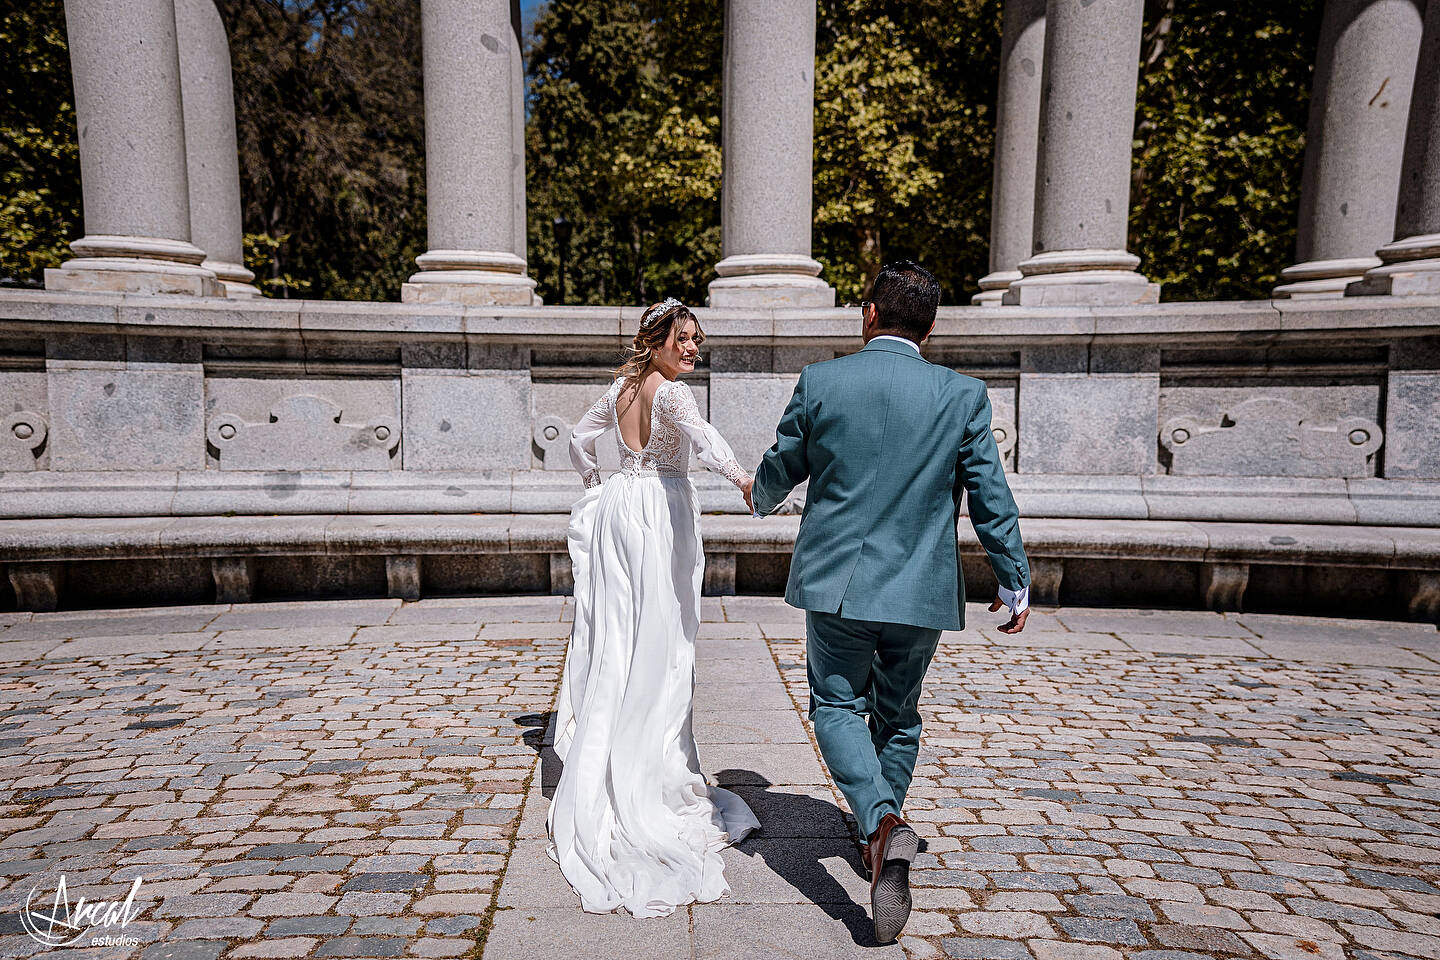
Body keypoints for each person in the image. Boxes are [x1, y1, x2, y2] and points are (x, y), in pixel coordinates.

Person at [751, 260, 1031, 944]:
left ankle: (880, 822)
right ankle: (881, 843)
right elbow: (990, 495)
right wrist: (1013, 575)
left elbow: (785, 463)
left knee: (837, 705)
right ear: (931, 327)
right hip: (920, 586)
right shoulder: (963, 395)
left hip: (840, 582)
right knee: (898, 715)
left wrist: (760, 493)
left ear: (870, 314)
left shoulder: (824, 379)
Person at [547, 296, 761, 918]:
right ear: (657, 341)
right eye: (683, 339)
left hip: (621, 508)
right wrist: (745, 479)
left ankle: (609, 747)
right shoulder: (668, 391)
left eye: (696, 340)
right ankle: (651, 769)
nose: (692, 349)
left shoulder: (620, 387)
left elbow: (580, 439)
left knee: (620, 635)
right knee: (663, 642)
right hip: (660, 512)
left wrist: (596, 482)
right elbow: (705, 438)